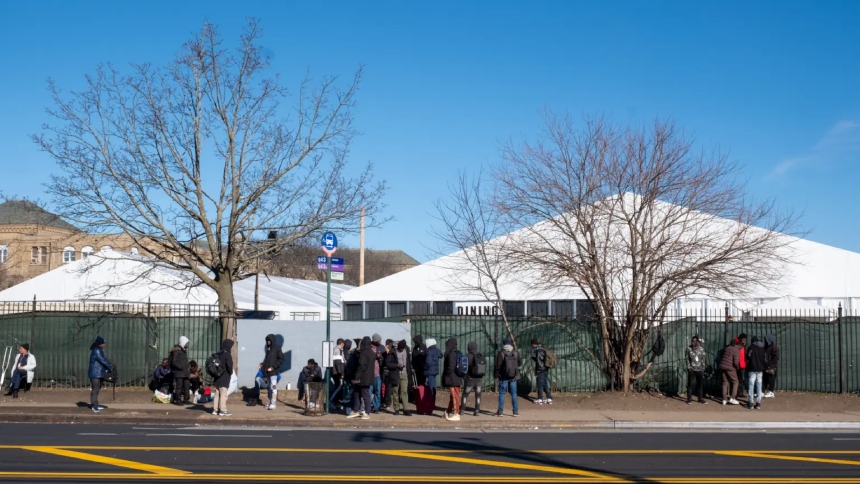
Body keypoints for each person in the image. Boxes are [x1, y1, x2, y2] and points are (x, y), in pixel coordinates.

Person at [347, 336, 374, 420]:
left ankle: (365, 412)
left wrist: (356, 377)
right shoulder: (371, 352)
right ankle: (359, 410)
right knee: (359, 393)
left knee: (362, 394)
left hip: (362, 377)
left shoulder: (363, 353)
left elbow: (361, 366)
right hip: (369, 377)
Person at [495, 338, 522, 417]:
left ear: (504, 344)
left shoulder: (501, 353)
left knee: (502, 393)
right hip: (513, 376)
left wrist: (496, 375)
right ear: (510, 344)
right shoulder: (515, 352)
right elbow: (520, 362)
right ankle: (515, 412)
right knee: (514, 393)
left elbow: (497, 366)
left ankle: (500, 411)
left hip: (503, 376)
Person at [88, 336, 113, 413]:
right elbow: (102, 360)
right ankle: (94, 406)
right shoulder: (97, 351)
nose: (104, 344)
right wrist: (110, 367)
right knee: (95, 389)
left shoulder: (99, 350)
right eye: (103, 343)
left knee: (97, 389)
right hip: (95, 374)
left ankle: (95, 404)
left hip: (98, 373)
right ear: (100, 344)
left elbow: (104, 359)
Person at [442, 338, 465, 421]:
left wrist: (446, 375)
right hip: (457, 377)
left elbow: (451, 367)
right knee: (453, 396)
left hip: (452, 378)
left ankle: (456, 413)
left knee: (454, 396)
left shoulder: (451, 354)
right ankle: (448, 412)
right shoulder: (457, 352)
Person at [260, 334, 284, 410]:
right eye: (267, 341)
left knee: (273, 387)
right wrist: (263, 368)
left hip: (274, 372)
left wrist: (273, 367)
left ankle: (273, 403)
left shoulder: (277, 348)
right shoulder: (268, 350)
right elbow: (266, 361)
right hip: (267, 373)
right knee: (269, 388)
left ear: (272, 340)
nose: (268, 342)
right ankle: (271, 402)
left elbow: (281, 359)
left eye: (269, 340)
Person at [389, 339, 413, 416]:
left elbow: (408, 361)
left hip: (404, 374)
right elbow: (388, 363)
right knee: (395, 392)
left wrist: (410, 369)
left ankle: (406, 409)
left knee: (404, 392)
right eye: (400, 348)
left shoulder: (407, 350)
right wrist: (396, 365)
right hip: (395, 374)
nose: (401, 350)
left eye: (402, 348)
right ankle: (396, 409)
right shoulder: (392, 351)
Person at [212, 339, 234, 417]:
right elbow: (229, 366)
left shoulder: (219, 353)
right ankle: (223, 410)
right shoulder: (227, 354)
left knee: (217, 394)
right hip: (224, 377)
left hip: (217, 377)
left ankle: (215, 409)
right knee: (223, 394)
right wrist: (231, 373)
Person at [461, 341, 483, 416]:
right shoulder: (479, 356)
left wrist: (464, 377)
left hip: (470, 379)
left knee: (465, 394)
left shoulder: (467, 356)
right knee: (478, 395)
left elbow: (464, 368)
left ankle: (462, 410)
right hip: (479, 379)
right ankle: (477, 410)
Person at [684, 336, 707, 404]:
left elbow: (703, 359)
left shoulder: (701, 349)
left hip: (700, 369)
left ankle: (700, 398)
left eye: (694, 341)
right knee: (690, 384)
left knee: (700, 384)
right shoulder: (688, 349)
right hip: (692, 369)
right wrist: (689, 367)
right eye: (692, 341)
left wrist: (703, 368)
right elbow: (687, 358)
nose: (693, 342)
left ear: (697, 342)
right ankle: (689, 399)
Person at [746, 336, 767, 410]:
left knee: (751, 385)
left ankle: (751, 402)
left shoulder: (751, 347)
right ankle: (758, 403)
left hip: (752, 369)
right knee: (759, 386)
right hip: (760, 370)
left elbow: (748, 357)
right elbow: (765, 359)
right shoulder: (763, 348)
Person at [168, 336, 190, 404]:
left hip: (185, 372)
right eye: (186, 343)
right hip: (179, 372)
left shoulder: (183, 351)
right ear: (183, 343)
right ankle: (178, 400)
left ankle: (186, 399)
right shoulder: (177, 351)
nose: (187, 344)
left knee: (187, 386)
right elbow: (174, 362)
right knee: (179, 387)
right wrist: (181, 367)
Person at [719, 338, 741, 405]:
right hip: (730, 367)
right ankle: (733, 398)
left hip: (722, 366)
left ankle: (724, 399)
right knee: (735, 381)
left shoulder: (727, 348)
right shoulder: (736, 350)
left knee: (725, 382)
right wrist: (737, 368)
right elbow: (735, 362)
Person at [531, 338, 552, 405]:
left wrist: (537, 372)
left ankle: (540, 399)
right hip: (546, 369)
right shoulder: (543, 349)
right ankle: (549, 398)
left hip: (541, 370)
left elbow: (539, 362)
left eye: (532, 344)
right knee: (545, 384)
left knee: (539, 385)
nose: (531, 346)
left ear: (534, 344)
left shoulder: (539, 350)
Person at [370, 333, 385, 412]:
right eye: (378, 340)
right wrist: (374, 356)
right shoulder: (369, 348)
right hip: (369, 374)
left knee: (377, 391)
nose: (380, 341)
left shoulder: (382, 347)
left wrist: (380, 356)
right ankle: (368, 406)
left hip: (378, 373)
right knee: (369, 392)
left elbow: (385, 357)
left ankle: (376, 407)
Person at [330, 339, 346, 409]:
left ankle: (336, 402)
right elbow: (338, 362)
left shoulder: (336, 349)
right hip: (337, 373)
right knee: (339, 386)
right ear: (341, 343)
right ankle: (331, 400)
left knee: (337, 386)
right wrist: (341, 373)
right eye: (343, 344)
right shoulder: (338, 350)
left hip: (335, 372)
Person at [736, 333, 748, 398]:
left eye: (745, 340)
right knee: (737, 380)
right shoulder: (737, 345)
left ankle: (740, 392)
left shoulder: (743, 346)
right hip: (738, 364)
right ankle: (737, 393)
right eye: (743, 340)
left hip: (742, 364)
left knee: (741, 379)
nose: (744, 341)